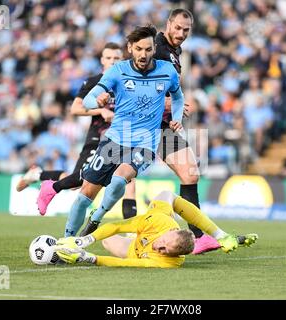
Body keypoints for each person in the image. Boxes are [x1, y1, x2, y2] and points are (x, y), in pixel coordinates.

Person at [81, 9, 221, 255]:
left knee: (190, 174)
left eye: (186, 30)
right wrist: (168, 103)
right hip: (147, 128)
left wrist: (174, 106)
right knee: (94, 185)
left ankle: (198, 238)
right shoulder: (156, 48)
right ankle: (80, 226)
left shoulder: (175, 52)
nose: (181, 33)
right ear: (168, 24)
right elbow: (140, 91)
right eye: (177, 28)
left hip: (161, 126)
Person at [39, 25, 185, 238]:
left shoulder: (167, 71)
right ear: (130, 48)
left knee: (119, 180)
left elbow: (179, 97)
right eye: (138, 49)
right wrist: (97, 101)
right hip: (114, 140)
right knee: (84, 195)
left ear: (154, 48)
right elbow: (88, 99)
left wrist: (177, 119)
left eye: (147, 49)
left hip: (145, 142)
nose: (143, 54)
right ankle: (68, 241)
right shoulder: (118, 71)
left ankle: (96, 218)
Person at [15, 43, 138, 219]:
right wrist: (100, 111)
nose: (112, 61)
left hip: (122, 139)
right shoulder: (95, 82)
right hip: (99, 138)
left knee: (129, 182)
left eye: (116, 58)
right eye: (109, 58)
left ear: (122, 59)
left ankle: (131, 232)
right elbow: (75, 109)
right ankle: (39, 175)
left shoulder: (128, 82)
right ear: (102, 60)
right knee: (77, 181)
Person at [54, 190, 259, 268]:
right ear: (170, 232)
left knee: (108, 242)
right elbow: (116, 225)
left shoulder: (168, 262)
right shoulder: (161, 222)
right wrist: (83, 241)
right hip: (153, 223)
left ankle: (214, 238)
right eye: (163, 244)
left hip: (135, 252)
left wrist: (87, 258)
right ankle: (218, 235)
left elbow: (123, 264)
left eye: (164, 251)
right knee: (167, 195)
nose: (158, 248)